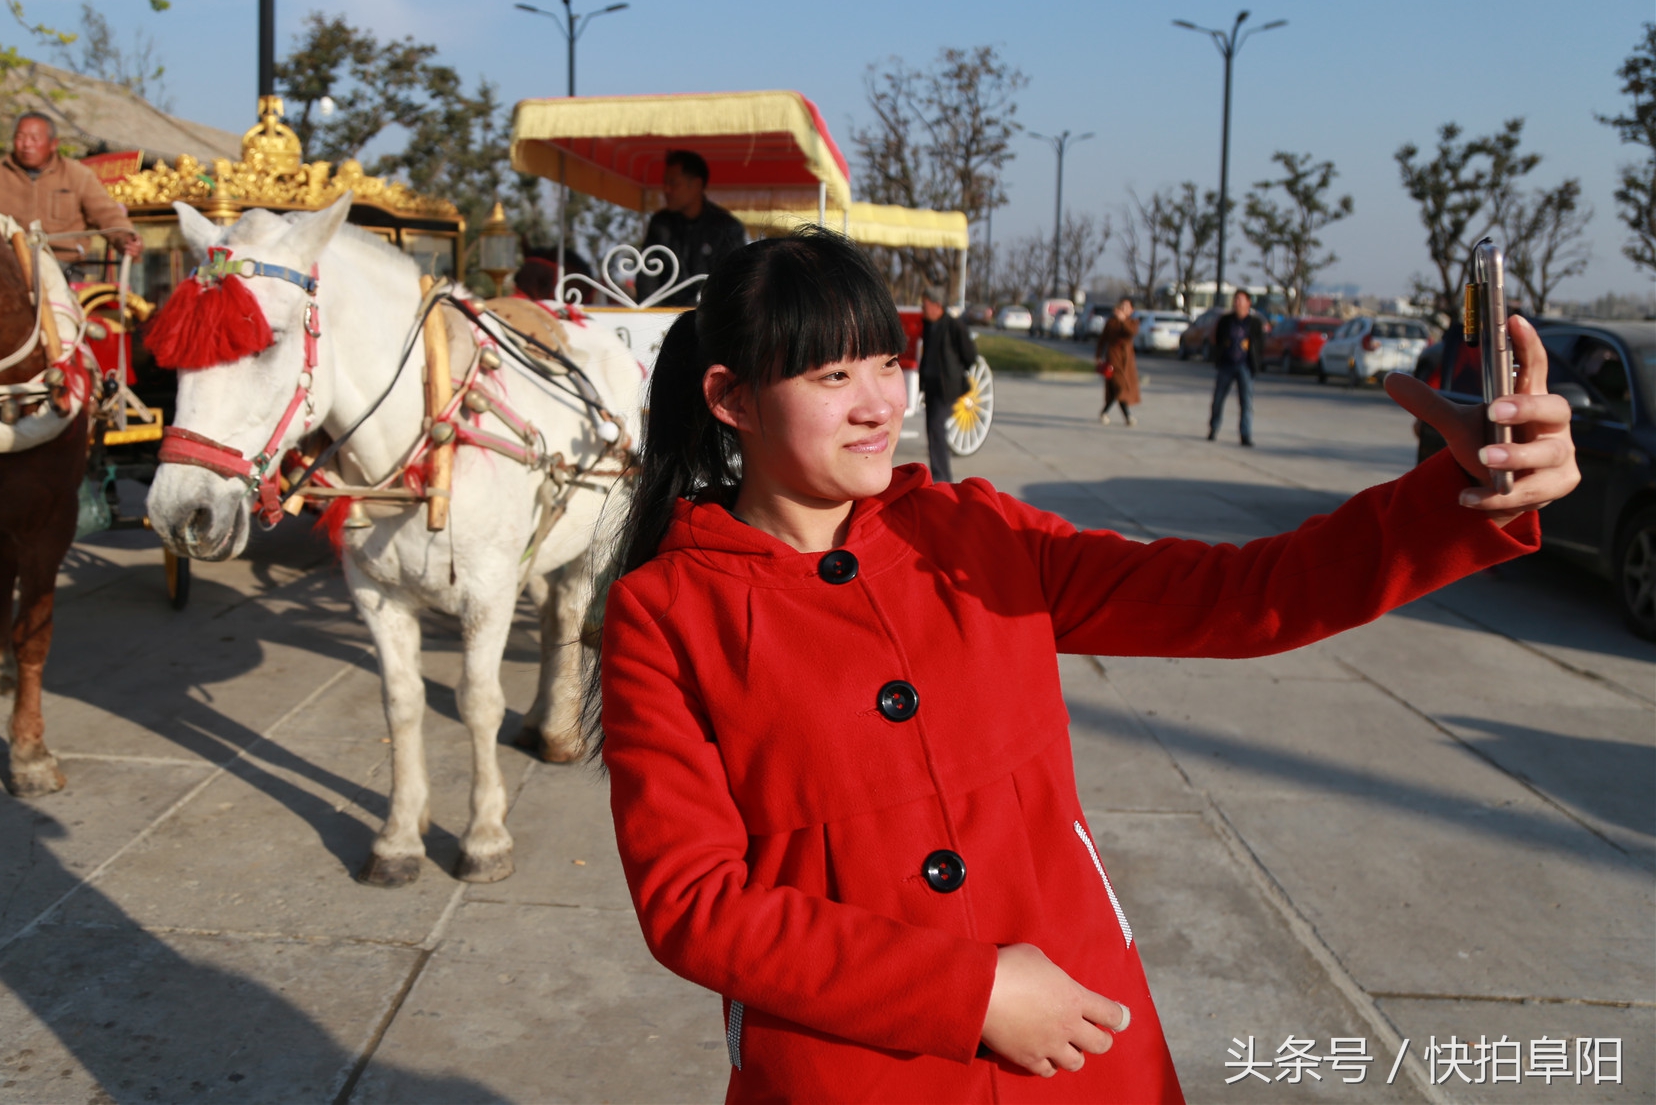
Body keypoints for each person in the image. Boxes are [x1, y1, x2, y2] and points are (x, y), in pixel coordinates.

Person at [593, 228, 1575, 1105]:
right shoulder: (665, 613)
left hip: (1075, 1041)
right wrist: (968, 990)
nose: (878, 404)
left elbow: (1237, 596)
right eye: (828, 378)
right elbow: (693, 904)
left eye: (885, 363)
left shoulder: (978, 533)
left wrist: (1456, 496)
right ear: (729, 397)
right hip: (846, 1065)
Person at [0, 112, 142, 265]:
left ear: (53, 144)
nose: (26, 144)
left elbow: (107, 215)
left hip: (62, 264)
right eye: (20, 138)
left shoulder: (78, 175)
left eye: (34, 139)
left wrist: (126, 239)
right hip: (6, 262)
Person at [641, 149, 747, 306]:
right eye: (665, 182)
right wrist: (647, 316)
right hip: (662, 320)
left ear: (697, 185)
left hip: (709, 320)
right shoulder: (660, 224)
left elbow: (733, 284)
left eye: (673, 183)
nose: (666, 190)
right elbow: (647, 278)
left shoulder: (727, 228)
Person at [916, 292, 978, 482]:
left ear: (937, 306)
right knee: (932, 430)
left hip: (947, 387)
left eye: (925, 306)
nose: (923, 310)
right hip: (931, 386)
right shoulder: (928, 326)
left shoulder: (953, 325)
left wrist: (956, 372)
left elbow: (970, 355)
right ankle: (939, 474)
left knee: (936, 428)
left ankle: (942, 477)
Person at [1208, 289, 1266, 446]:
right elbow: (1216, 339)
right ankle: (1214, 428)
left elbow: (1260, 343)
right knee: (1218, 399)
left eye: (1240, 300)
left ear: (1248, 303)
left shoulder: (1255, 323)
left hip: (1245, 366)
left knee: (1246, 402)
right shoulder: (1225, 320)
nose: (1237, 303)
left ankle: (1245, 434)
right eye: (1235, 300)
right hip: (1226, 364)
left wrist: (1255, 359)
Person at [1095, 297, 1140, 425]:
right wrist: (1098, 355)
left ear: (1131, 310)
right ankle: (1127, 416)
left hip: (1126, 361)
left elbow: (1130, 332)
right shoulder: (1111, 322)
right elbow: (1102, 340)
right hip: (1113, 359)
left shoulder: (1133, 322)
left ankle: (1106, 412)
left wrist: (1123, 320)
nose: (1123, 309)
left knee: (1118, 389)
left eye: (1126, 307)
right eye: (1122, 306)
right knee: (1120, 387)